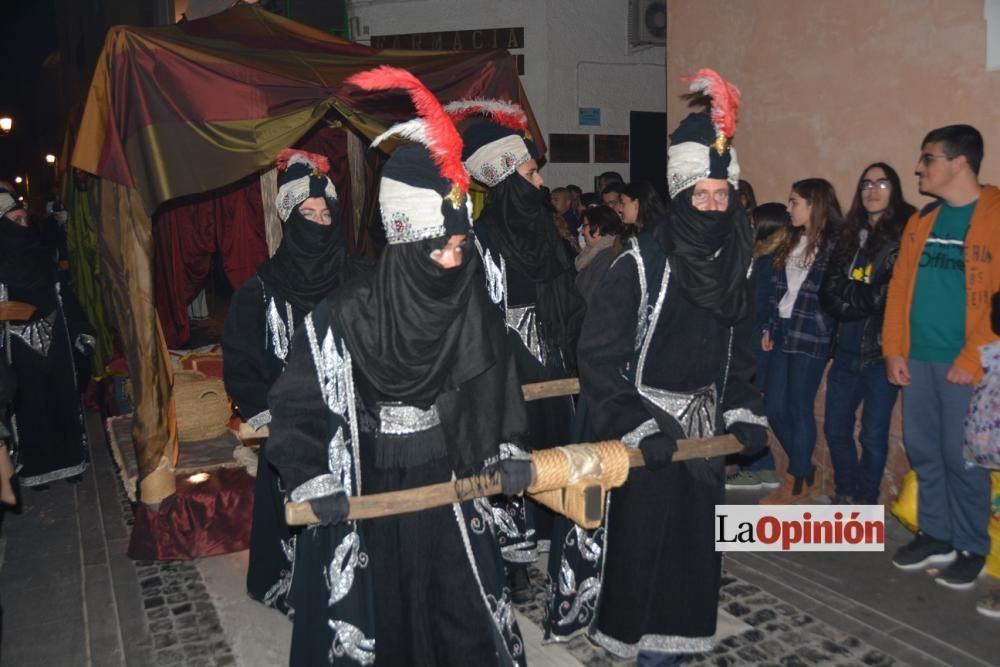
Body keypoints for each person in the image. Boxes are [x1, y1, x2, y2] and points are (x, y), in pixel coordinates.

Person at [266, 65, 529, 666]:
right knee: (385, 617)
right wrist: (314, 475)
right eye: (437, 247)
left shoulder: (473, 308)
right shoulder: (344, 316)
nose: (450, 260)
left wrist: (510, 448)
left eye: (460, 247)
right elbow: (297, 405)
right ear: (406, 245)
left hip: (454, 475)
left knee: (463, 611)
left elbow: (499, 386)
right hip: (370, 480)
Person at [556, 68, 767, 662]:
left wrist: (744, 412)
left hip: (703, 440)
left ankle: (672, 652)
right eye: (699, 194)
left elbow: (741, 359)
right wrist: (635, 425)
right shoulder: (638, 267)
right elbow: (598, 360)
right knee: (642, 555)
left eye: (721, 195)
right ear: (678, 196)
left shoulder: (738, 270)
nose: (711, 205)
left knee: (695, 556)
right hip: (645, 435)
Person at [460, 112, 585, 599]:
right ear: (508, 179)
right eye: (532, 173)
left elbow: (570, 302)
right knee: (512, 455)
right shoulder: (478, 241)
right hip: (506, 375)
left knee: (554, 453)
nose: (540, 183)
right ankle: (511, 556)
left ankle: (557, 544)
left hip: (555, 367)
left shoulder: (546, 235)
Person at [222, 149, 352, 614]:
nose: (319, 223)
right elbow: (240, 360)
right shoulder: (259, 290)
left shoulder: (355, 279)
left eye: (325, 213)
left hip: (351, 421)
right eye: (308, 214)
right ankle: (298, 585)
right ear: (289, 219)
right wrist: (269, 418)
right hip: (290, 425)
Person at [885, 124, 999, 589]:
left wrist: (972, 359)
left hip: (969, 366)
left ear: (958, 162)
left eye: (927, 158)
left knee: (962, 459)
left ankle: (972, 544)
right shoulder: (922, 221)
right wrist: (893, 348)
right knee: (926, 451)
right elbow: (898, 290)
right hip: (919, 359)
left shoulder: (995, 216)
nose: (919, 167)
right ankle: (937, 534)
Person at [819, 163, 916, 505]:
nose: (872, 190)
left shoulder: (904, 236)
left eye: (882, 183)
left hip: (880, 353)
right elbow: (828, 294)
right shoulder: (849, 236)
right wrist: (863, 297)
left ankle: (864, 502)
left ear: (895, 189)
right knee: (835, 429)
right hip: (845, 351)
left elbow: (891, 295)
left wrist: (852, 294)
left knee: (873, 436)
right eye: (866, 184)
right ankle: (846, 491)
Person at [0, 183, 93, 488]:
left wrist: (80, 329)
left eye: (25, 219)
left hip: (55, 336)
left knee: (61, 397)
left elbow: (62, 291)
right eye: (17, 222)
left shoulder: (41, 255)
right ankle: (38, 468)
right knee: (30, 405)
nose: (24, 226)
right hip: (17, 346)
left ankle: (70, 462)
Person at [759, 178, 840, 504]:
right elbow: (778, 291)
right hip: (784, 330)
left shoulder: (835, 245)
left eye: (795, 202)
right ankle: (804, 468)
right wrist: (770, 326)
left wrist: (824, 325)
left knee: (798, 406)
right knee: (774, 407)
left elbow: (832, 295)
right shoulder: (790, 240)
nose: (788, 208)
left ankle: (795, 482)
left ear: (814, 205)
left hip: (812, 333)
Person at [724, 202, 789, 490]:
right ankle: (757, 468)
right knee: (746, 408)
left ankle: (763, 470)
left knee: (751, 408)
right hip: (747, 342)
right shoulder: (759, 257)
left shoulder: (768, 261)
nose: (749, 226)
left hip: (755, 346)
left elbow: (760, 306)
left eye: (753, 222)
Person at [574, 205, 624, 305]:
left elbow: (591, 298)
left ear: (596, 229)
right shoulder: (593, 253)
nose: (582, 232)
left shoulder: (606, 257)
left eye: (584, 226)